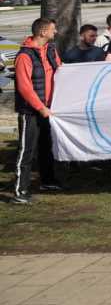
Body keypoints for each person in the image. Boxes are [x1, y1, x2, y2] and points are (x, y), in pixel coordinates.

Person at [12, 18, 63, 203]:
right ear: (42, 32)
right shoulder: (24, 56)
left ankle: (47, 180)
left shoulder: (50, 49)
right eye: (52, 29)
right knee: (26, 150)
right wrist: (41, 108)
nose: (55, 32)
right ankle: (20, 191)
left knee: (46, 147)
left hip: (48, 109)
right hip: (31, 112)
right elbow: (25, 88)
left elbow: (61, 71)